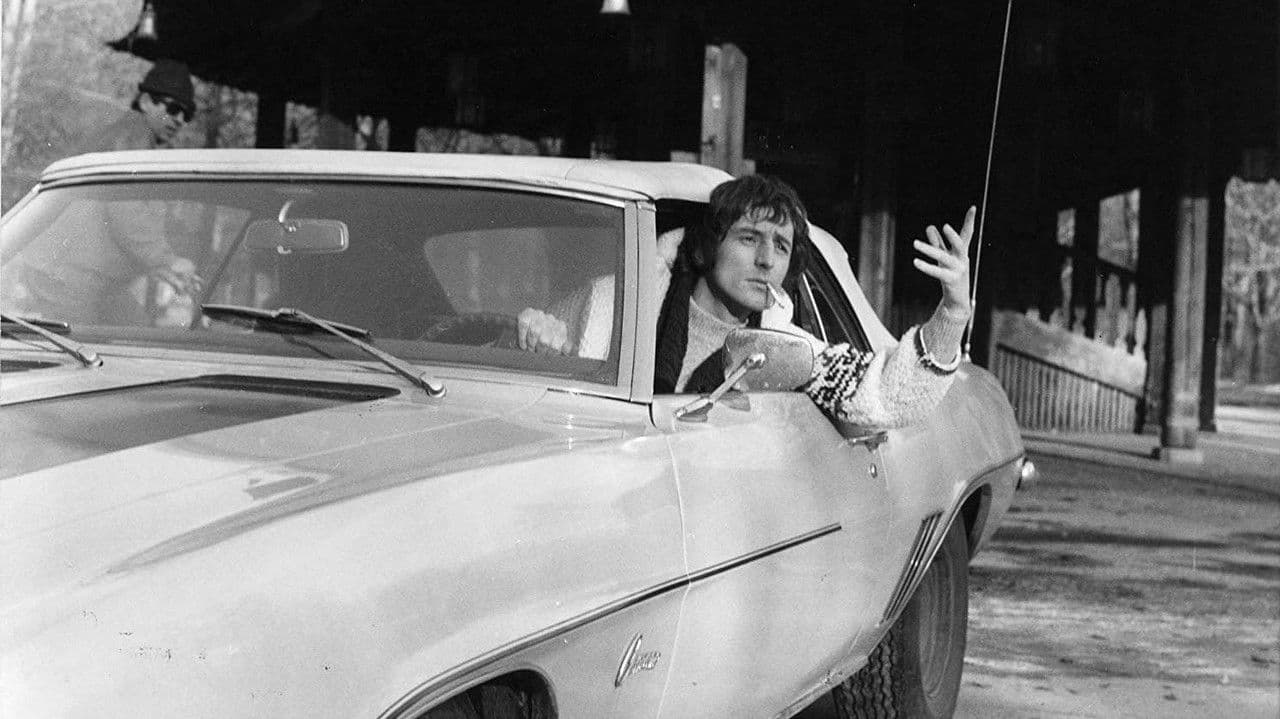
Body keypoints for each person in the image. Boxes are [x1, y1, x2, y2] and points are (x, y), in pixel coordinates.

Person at [518, 174, 973, 428]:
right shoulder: (609, 303)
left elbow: (887, 395)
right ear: (707, 246)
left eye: (781, 246)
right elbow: (524, 382)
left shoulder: (784, 347)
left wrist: (953, 312)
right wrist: (535, 338)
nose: (766, 260)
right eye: (749, 238)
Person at [2, 60, 204, 324]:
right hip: (68, 278)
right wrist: (167, 260)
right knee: (112, 342)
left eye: (187, 114)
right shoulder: (131, 139)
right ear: (145, 102)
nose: (179, 119)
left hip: (90, 280)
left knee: (137, 331)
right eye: (173, 108)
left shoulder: (135, 139)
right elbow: (127, 211)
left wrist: (165, 260)